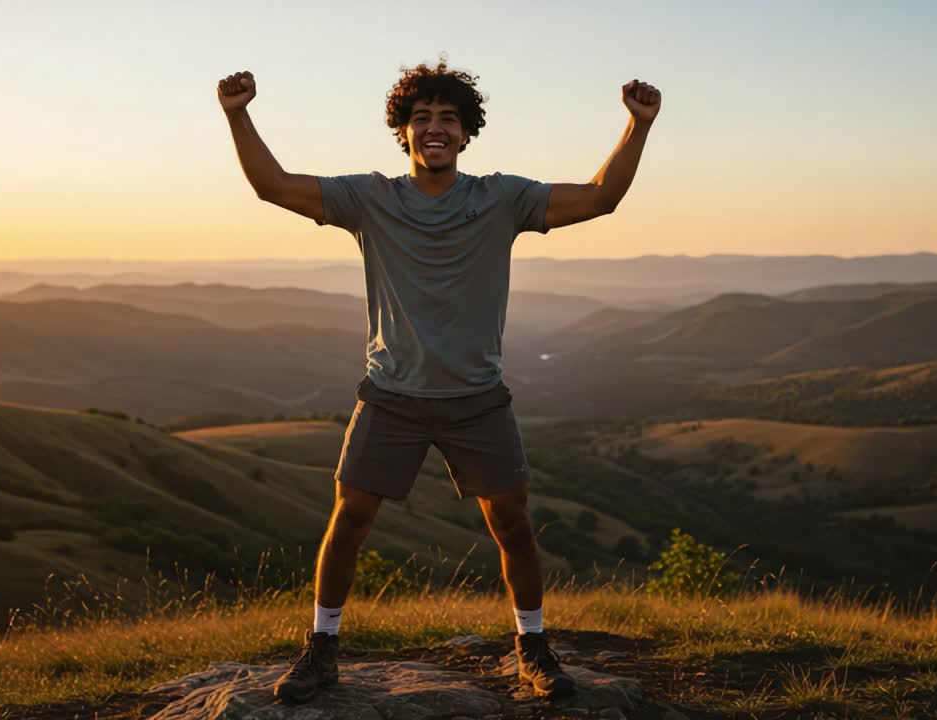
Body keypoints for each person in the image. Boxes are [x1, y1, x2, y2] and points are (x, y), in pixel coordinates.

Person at [216, 56, 660, 704]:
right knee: (350, 519)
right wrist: (238, 114)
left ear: (465, 132)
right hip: (391, 395)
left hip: (477, 399)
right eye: (421, 118)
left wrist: (637, 126)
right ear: (403, 132)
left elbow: (601, 198)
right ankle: (321, 649)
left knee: (512, 523)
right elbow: (272, 186)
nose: (434, 128)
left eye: (448, 118)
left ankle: (532, 649)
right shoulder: (370, 197)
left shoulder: (501, 198)